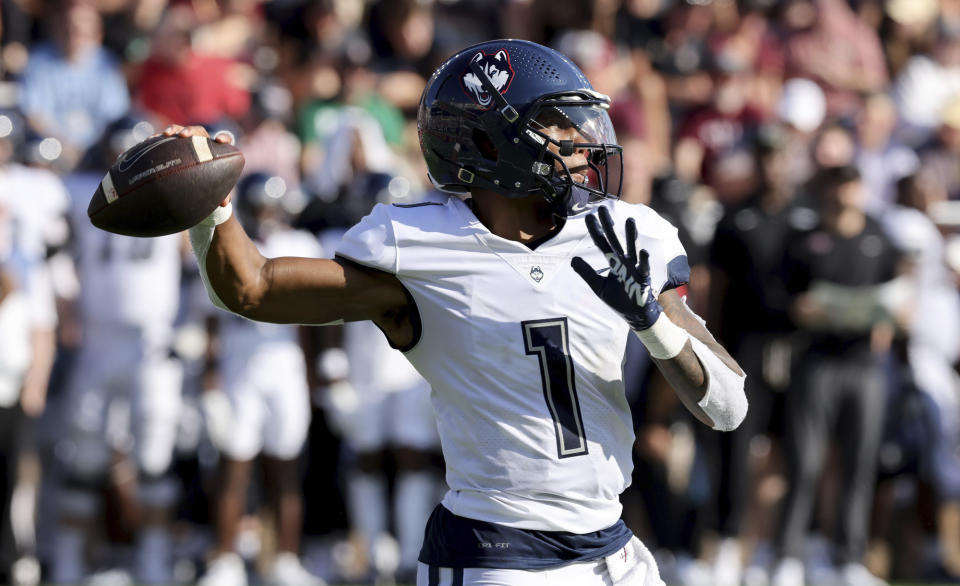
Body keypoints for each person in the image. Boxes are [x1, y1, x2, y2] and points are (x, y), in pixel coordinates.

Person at [163, 39, 747, 586]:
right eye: (555, 123)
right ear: (490, 141)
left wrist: (651, 322)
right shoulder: (416, 243)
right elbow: (252, 289)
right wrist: (209, 206)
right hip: (496, 555)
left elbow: (727, 407)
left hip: (612, 552)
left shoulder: (625, 231)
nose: (580, 138)